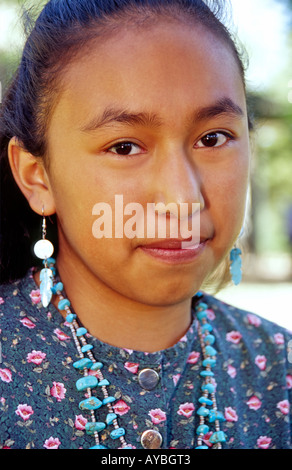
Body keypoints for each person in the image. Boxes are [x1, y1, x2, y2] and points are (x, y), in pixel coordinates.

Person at [0, 0, 291, 451]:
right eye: (124, 147)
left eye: (213, 138)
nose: (183, 198)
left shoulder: (281, 368)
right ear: (37, 177)